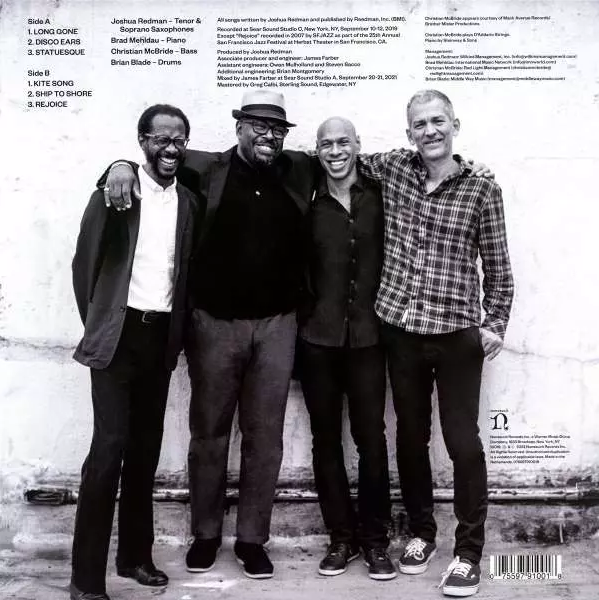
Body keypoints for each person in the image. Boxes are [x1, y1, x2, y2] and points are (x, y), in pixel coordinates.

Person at [102, 90, 316, 579]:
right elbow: (154, 159)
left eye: (277, 128)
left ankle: (252, 540)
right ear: (239, 128)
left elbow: (351, 159)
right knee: (209, 432)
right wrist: (118, 165)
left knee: (265, 437)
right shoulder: (204, 167)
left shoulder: (299, 169)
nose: (268, 136)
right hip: (214, 324)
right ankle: (205, 534)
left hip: (278, 325)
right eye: (258, 126)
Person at [358, 90, 514, 596]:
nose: (430, 131)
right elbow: (336, 154)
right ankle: (422, 534)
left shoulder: (482, 188)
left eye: (438, 121)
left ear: (454, 125)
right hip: (401, 330)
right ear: (409, 133)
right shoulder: (392, 168)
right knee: (410, 437)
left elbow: (499, 267)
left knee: (463, 442)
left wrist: (494, 323)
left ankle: (468, 554)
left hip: (456, 334)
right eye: (420, 124)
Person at [70, 104, 200, 600]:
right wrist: (101, 323)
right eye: (161, 138)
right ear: (142, 141)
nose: (171, 147)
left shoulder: (188, 201)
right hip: (117, 338)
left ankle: (134, 558)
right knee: (108, 452)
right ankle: (86, 579)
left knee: (145, 453)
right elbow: (84, 266)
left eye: (179, 139)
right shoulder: (115, 193)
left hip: (159, 340)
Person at [296, 117, 395, 580]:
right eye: (326, 144)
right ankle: (341, 538)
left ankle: (375, 541)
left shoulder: (381, 193)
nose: (335, 151)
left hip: (370, 339)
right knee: (325, 440)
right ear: (316, 151)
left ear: (358, 145)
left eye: (343, 142)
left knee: (372, 440)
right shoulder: (306, 197)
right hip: (317, 340)